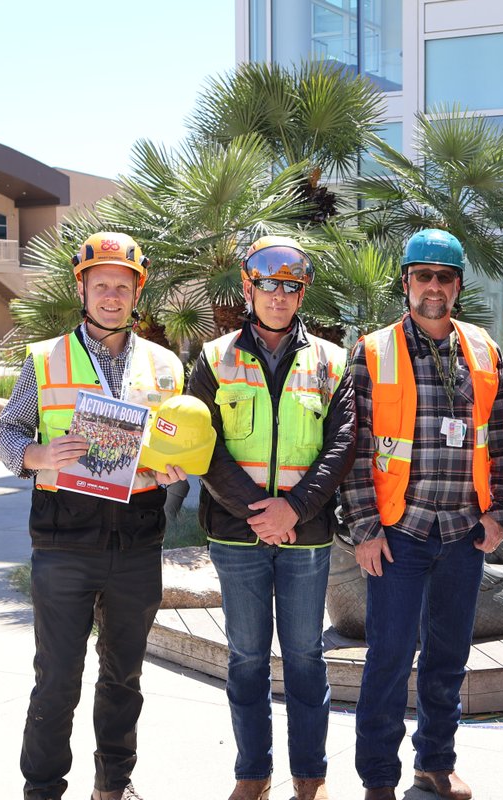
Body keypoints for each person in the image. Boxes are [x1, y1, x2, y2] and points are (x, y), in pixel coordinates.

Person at [0, 232, 186, 800]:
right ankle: (44, 789)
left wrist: (176, 469)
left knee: (124, 678)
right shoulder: (44, 359)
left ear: (136, 293)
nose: (110, 295)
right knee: (56, 681)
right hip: (64, 542)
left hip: (138, 541)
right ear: (81, 287)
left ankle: (114, 786)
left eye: (121, 286)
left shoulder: (165, 365)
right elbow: (7, 431)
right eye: (100, 284)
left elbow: (178, 441)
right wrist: (36, 455)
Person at [341, 228, 503, 800]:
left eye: (444, 276)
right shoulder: (372, 351)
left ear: (458, 285)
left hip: (465, 534)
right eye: (423, 276)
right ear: (406, 283)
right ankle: (379, 779)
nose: (433, 287)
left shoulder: (485, 350)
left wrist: (497, 516)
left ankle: (435, 763)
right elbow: (355, 447)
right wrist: (365, 529)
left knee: (448, 657)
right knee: (388, 658)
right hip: (400, 535)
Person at [186, 236, 355, 800]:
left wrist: (294, 509)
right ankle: (252, 775)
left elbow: (342, 444)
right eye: (268, 285)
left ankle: (310, 778)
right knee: (247, 657)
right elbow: (202, 446)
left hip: (305, 535)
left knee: (306, 658)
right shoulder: (213, 359)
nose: (278, 297)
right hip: (238, 535)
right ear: (247, 288)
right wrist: (262, 513)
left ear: (302, 292)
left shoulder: (333, 361)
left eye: (290, 287)